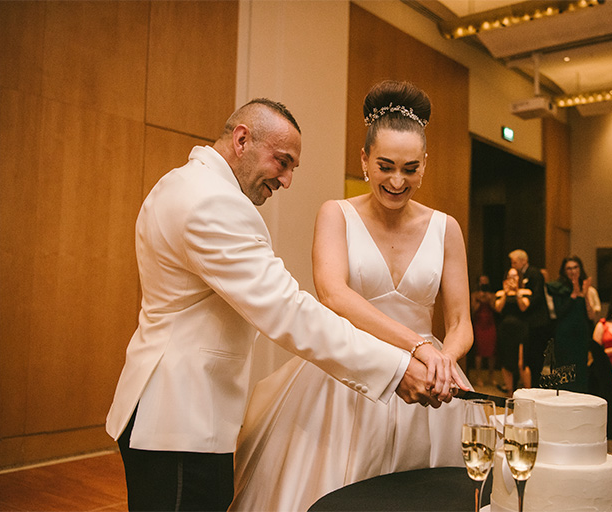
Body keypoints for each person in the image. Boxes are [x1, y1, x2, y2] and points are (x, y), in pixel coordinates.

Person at [105, 99, 447, 512]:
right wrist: (396, 368)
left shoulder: (181, 182)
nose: (286, 180)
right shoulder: (212, 203)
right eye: (282, 162)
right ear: (242, 140)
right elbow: (288, 311)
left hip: (169, 412)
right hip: (178, 419)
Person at [230, 81, 473, 512]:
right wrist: (416, 346)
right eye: (385, 166)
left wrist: (445, 361)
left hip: (428, 382)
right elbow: (334, 294)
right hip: (347, 376)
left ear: (425, 165)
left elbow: (460, 322)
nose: (397, 181)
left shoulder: (446, 228)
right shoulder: (336, 214)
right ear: (364, 160)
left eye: (410, 169)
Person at [546, 256, 596, 393]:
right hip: (565, 334)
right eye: (569, 268)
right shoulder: (557, 288)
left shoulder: (586, 287)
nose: (573, 271)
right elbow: (559, 312)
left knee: (581, 369)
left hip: (581, 333)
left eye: (575, 267)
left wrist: (584, 293)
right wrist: (574, 294)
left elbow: (591, 315)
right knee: (565, 370)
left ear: (580, 269)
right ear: (564, 270)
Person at [508, 249, 552, 387]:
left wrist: (525, 304)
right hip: (527, 323)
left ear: (524, 261)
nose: (513, 265)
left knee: (536, 357)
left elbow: (537, 296)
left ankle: (536, 385)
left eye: (515, 262)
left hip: (538, 322)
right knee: (527, 357)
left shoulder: (534, 273)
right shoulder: (521, 275)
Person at [494, 268, 531, 394]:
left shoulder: (525, 292)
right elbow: (498, 308)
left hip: (520, 329)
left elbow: (524, 307)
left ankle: (528, 392)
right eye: (510, 276)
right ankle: (510, 393)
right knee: (506, 362)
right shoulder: (500, 293)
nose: (512, 279)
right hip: (505, 330)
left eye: (515, 276)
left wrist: (517, 292)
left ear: (519, 278)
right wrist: (506, 293)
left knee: (522, 363)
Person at [471, 275, 498, 387]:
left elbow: (496, 309)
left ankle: (491, 376)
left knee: (492, 351)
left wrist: (489, 299)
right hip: (479, 324)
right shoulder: (474, 295)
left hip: (490, 323)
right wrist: (479, 300)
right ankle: (478, 377)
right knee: (479, 351)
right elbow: (473, 309)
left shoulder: (492, 295)